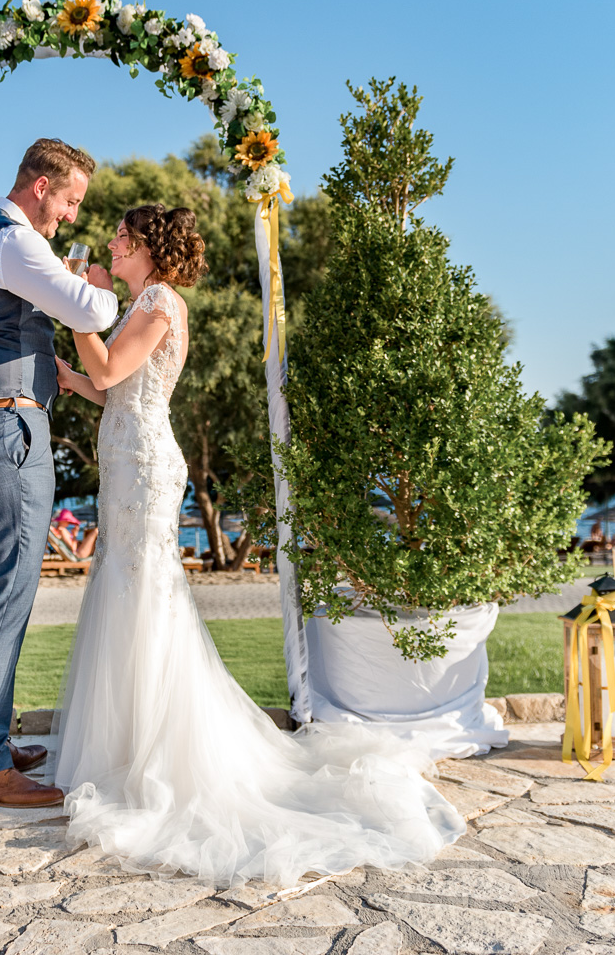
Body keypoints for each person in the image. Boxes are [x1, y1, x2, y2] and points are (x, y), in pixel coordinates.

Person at [52, 204, 462, 886]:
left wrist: (76, 304)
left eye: (122, 239)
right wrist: (73, 377)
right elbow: (110, 388)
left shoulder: (156, 301)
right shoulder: (140, 304)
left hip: (147, 467)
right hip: (128, 459)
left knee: (147, 597)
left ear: (148, 249)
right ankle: (125, 744)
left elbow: (117, 371)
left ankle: (162, 755)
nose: (112, 246)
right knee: (127, 595)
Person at [0, 139, 119, 808]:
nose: (68, 216)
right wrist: (95, 286)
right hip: (2, 431)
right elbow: (91, 313)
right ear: (41, 187)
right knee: (2, 593)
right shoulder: (13, 241)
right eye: (69, 201)